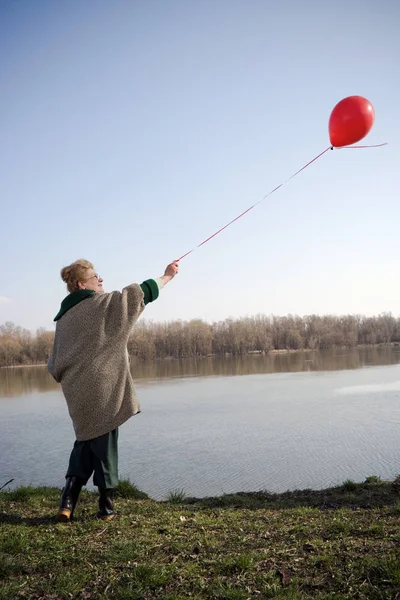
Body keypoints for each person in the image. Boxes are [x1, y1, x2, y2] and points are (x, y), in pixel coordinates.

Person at [48, 258, 179, 522]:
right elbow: (137, 295)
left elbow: (54, 364)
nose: (101, 280)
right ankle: (106, 507)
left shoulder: (63, 318)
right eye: (96, 277)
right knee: (106, 443)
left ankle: (67, 502)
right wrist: (166, 277)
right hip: (102, 388)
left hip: (76, 392)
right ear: (81, 284)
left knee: (85, 442)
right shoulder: (100, 306)